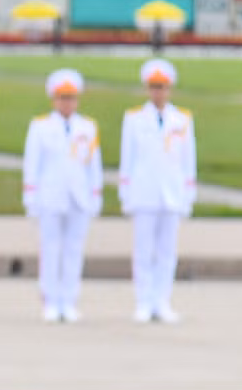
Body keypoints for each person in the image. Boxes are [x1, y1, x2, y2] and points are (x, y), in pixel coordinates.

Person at [118, 58, 197, 323]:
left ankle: (162, 300)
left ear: (169, 88)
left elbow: (188, 161)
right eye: (153, 87)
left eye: (162, 87)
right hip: (144, 192)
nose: (158, 92)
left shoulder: (182, 119)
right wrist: (125, 194)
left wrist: (188, 195)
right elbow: (126, 160)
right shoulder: (134, 118)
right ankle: (143, 301)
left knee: (167, 252)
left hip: (172, 193)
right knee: (143, 251)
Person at [22, 69, 101, 322]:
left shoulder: (87, 127)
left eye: (71, 98)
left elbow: (93, 165)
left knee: (73, 250)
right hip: (50, 197)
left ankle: (69, 299)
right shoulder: (41, 126)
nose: (67, 103)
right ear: (54, 99)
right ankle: (50, 299)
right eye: (62, 97)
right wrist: (31, 197)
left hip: (78, 197)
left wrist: (95, 194)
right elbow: (32, 164)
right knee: (51, 249)